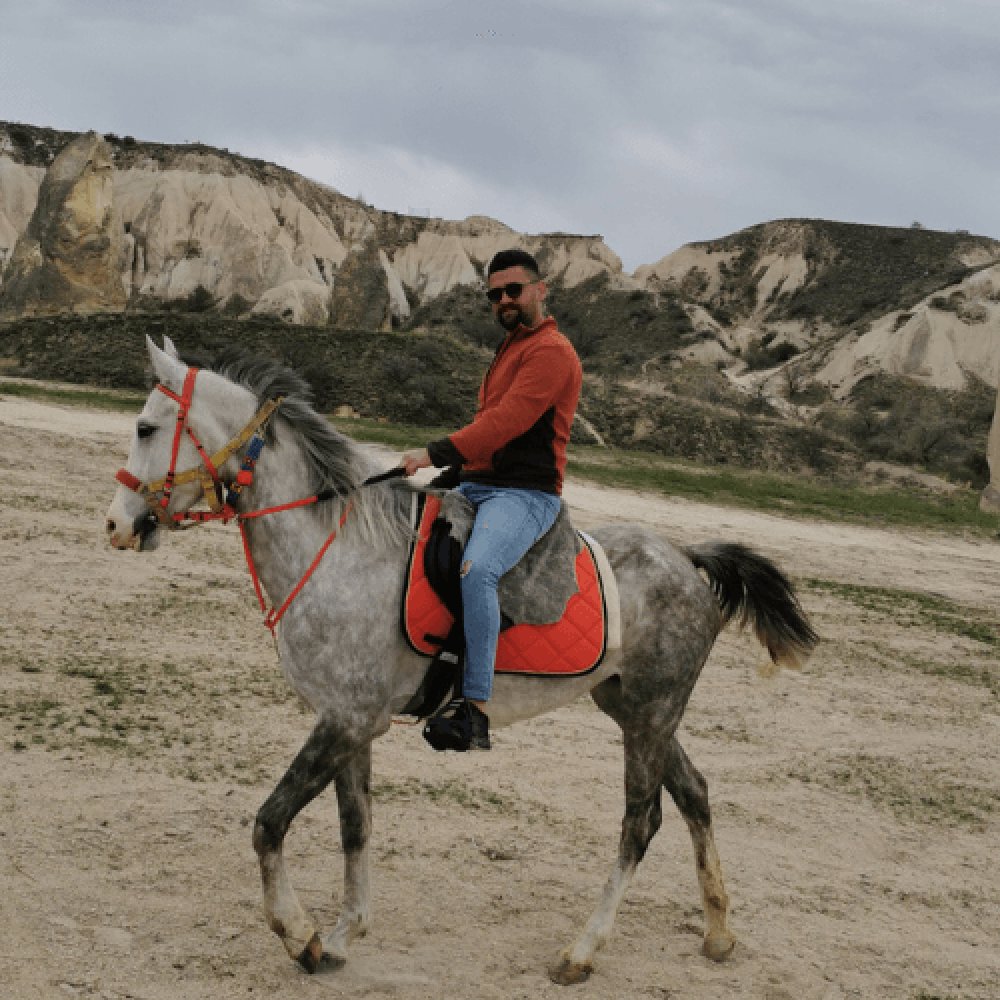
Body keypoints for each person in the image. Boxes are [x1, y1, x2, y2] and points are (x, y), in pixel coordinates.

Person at [400, 248, 583, 752]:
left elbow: (506, 423)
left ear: (541, 289)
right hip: (479, 484)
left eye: (513, 290)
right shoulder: (510, 349)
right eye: (495, 294)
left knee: (478, 570)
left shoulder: (551, 352)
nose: (504, 300)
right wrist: (454, 471)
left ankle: (473, 709)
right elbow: (492, 434)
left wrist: (434, 453)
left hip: (524, 494)